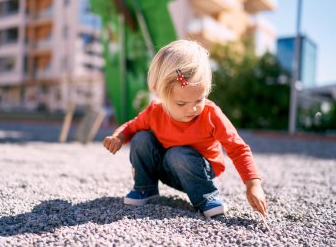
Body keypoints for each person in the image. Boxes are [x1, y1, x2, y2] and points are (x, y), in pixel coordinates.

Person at [103, 40, 266, 218]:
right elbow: (131, 127)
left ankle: (206, 197)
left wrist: (253, 185)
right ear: (160, 94)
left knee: (177, 154)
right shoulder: (155, 111)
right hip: (167, 169)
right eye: (181, 103)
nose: (193, 109)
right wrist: (118, 137)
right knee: (141, 138)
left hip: (199, 172)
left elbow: (238, 148)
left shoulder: (211, 115)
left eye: (199, 100)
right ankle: (145, 188)